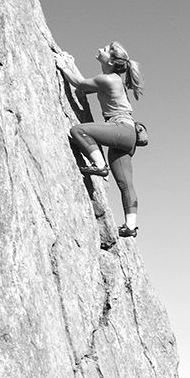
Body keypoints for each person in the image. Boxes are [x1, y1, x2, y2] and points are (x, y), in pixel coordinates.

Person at [56, 42, 144, 238]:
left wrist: (63, 66)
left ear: (111, 61)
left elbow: (79, 83)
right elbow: (85, 88)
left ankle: (99, 165)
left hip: (120, 129)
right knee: (126, 184)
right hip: (128, 136)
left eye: (105, 50)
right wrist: (72, 69)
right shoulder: (111, 80)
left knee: (78, 130)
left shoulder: (109, 79)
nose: (100, 49)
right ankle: (130, 227)